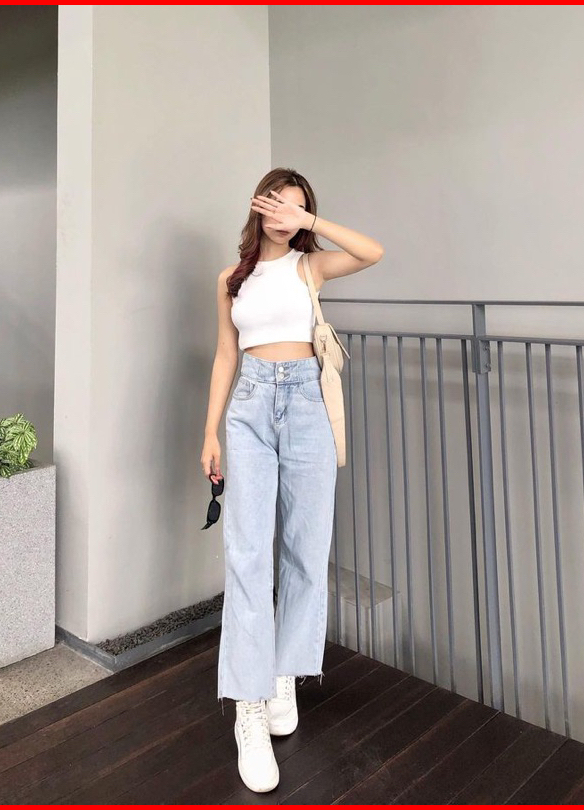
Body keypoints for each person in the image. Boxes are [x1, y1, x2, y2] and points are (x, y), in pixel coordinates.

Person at [200, 167, 384, 792]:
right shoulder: (231, 278)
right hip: (250, 406)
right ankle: (248, 708)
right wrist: (210, 432)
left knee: (306, 552)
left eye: (297, 208)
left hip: (307, 405)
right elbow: (226, 354)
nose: (286, 216)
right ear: (259, 205)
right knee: (247, 555)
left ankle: (283, 675)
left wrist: (311, 223)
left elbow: (372, 251)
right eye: (278, 204)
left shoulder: (310, 267)